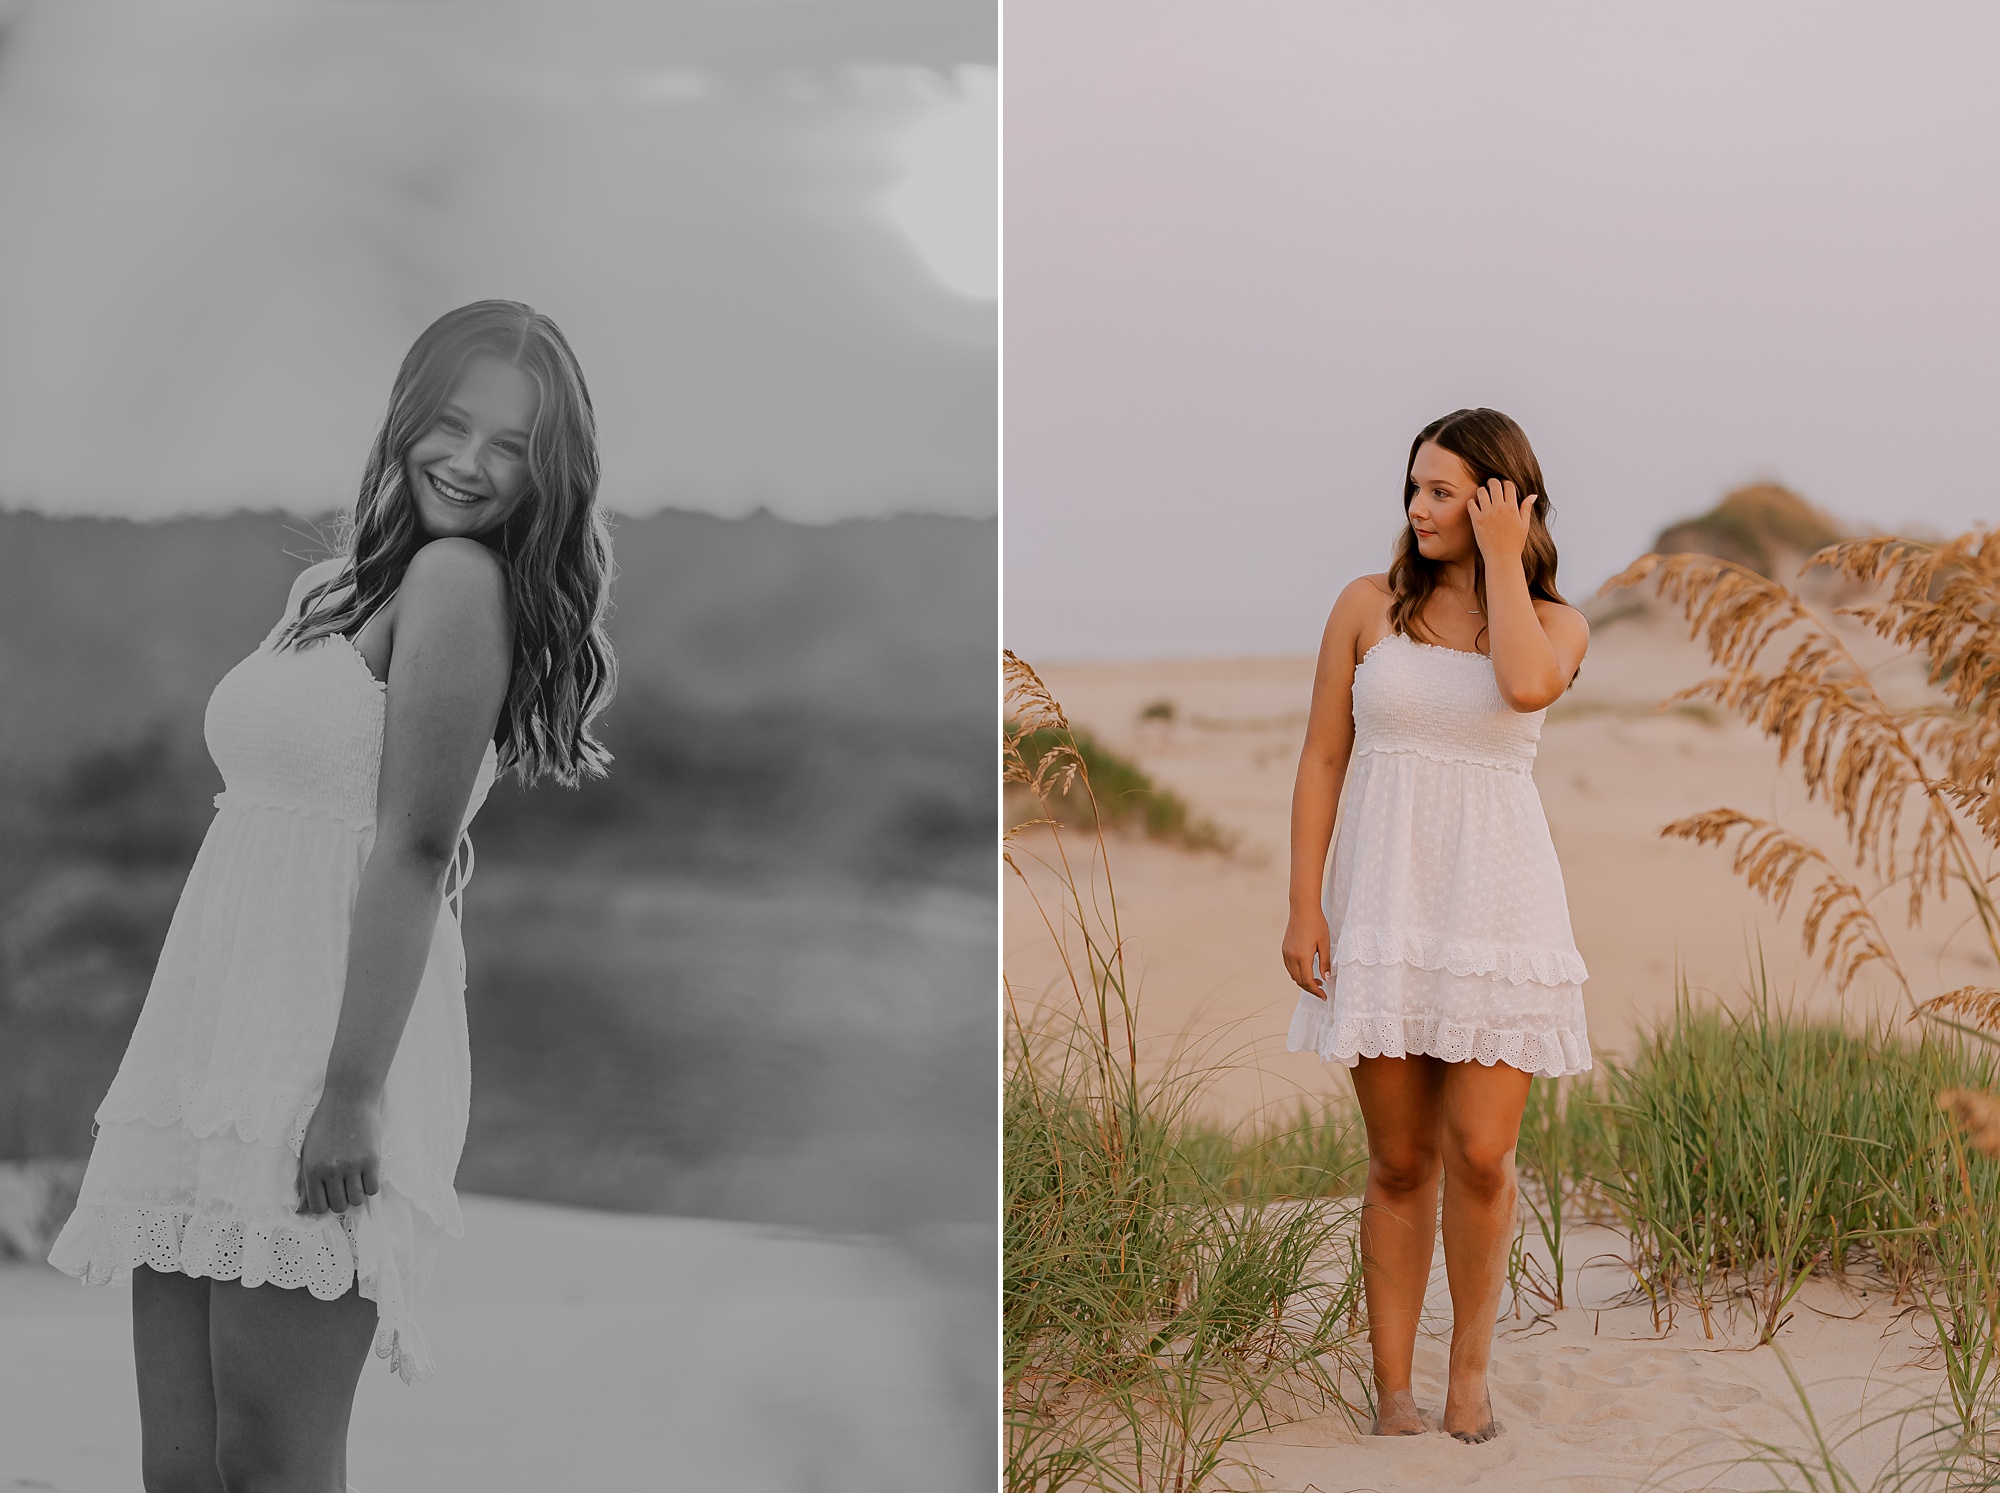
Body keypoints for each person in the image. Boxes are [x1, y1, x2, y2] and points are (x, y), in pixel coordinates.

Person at [47, 299, 617, 1492]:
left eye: (508, 446)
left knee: (270, 1464)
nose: (468, 462)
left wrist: (349, 1094)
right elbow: (325, 805)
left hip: (319, 1057)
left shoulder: (458, 582)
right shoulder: (330, 587)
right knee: (184, 1472)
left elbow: (410, 846)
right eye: (451, 424)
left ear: (547, 473)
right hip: (212, 1040)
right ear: (406, 419)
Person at [1280, 407, 1591, 1444]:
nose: (1417, 508)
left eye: (1444, 491)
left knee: (1483, 1150)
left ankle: (1467, 1374)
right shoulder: (1364, 606)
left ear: (1503, 500)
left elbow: (1523, 683)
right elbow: (1322, 755)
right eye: (1413, 487)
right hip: (1385, 902)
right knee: (1399, 1156)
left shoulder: (1552, 621)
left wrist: (1502, 560)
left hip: (1498, 909)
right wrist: (1302, 901)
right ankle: (1394, 1391)